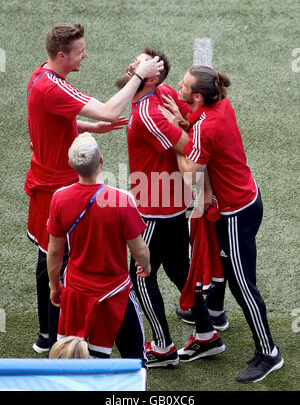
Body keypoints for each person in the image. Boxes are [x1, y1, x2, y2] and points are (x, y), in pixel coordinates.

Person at [25, 22, 163, 354]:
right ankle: (60, 334)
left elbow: (56, 118)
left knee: (48, 257)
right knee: (58, 258)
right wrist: (139, 76)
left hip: (47, 183)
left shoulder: (40, 79)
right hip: (54, 188)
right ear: (62, 55)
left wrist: (91, 128)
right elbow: (108, 108)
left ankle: (48, 334)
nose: (85, 55)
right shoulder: (53, 87)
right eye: (80, 52)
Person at [160, 65, 284, 383]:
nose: (178, 87)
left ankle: (269, 353)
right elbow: (196, 127)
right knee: (221, 262)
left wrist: (174, 136)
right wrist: (183, 117)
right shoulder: (219, 105)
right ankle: (214, 312)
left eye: (184, 86)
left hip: (234, 213)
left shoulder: (206, 127)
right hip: (242, 200)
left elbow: (191, 175)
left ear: (198, 96)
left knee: (243, 285)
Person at [115, 46, 225, 368]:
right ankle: (206, 334)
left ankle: (162, 348)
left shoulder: (148, 112)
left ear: (151, 76)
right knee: (179, 269)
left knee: (140, 278)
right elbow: (193, 120)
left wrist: (185, 131)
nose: (133, 63)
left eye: (140, 63)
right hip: (172, 204)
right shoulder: (159, 94)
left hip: (154, 210)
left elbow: (189, 146)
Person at [47, 133, 150, 364]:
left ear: (71, 165)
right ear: (101, 160)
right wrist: (146, 266)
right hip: (115, 293)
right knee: (135, 358)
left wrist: (55, 286)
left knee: (72, 358)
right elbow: (139, 249)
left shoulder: (59, 199)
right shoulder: (122, 200)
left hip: (76, 292)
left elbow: (54, 251)